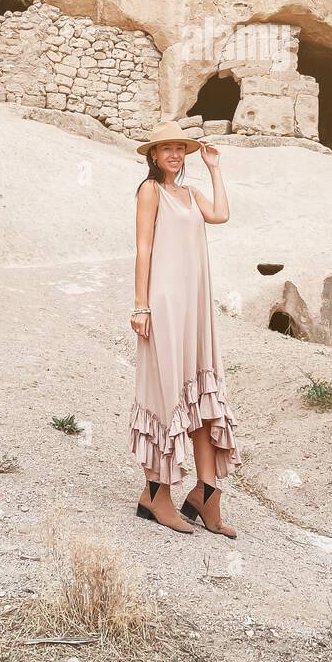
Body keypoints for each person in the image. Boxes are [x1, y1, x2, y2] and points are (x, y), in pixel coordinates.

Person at [127, 120, 240, 536]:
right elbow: (143, 248)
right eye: (165, 148)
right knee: (167, 390)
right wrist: (141, 306)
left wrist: (214, 167)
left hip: (195, 306)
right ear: (153, 155)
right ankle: (156, 494)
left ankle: (206, 495)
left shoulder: (191, 194)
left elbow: (221, 214)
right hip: (164, 304)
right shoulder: (149, 191)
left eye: (180, 148)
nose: (174, 154)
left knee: (201, 396)